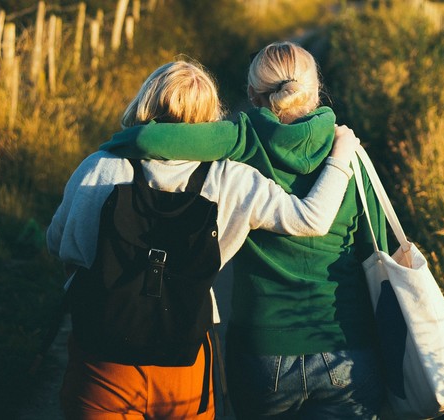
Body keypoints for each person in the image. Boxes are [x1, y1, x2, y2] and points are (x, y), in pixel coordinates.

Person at [47, 60, 361, 419]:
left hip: (103, 358)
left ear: (145, 102)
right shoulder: (231, 178)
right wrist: (341, 156)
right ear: (211, 114)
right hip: (186, 358)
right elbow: (310, 218)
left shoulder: (99, 166)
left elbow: (59, 243)